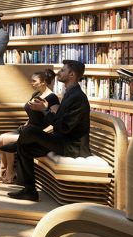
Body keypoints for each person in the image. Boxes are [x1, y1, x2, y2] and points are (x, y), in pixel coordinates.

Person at [8, 60, 91, 201]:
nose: (59, 73)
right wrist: (44, 109)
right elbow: (59, 121)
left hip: (72, 146)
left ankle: (18, 145)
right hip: (62, 140)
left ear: (71, 75)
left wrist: (45, 110)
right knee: (26, 147)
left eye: (63, 70)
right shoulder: (70, 93)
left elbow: (64, 127)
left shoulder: (78, 97)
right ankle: (29, 191)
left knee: (28, 133)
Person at [0, 68, 59, 184]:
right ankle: (3, 170)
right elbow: (32, 115)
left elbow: (55, 121)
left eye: (34, 81)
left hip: (38, 132)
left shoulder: (52, 98)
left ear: (43, 82)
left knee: (7, 140)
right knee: (1, 138)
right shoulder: (36, 94)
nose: (32, 83)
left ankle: (10, 172)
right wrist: (25, 125)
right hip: (28, 128)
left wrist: (43, 133)